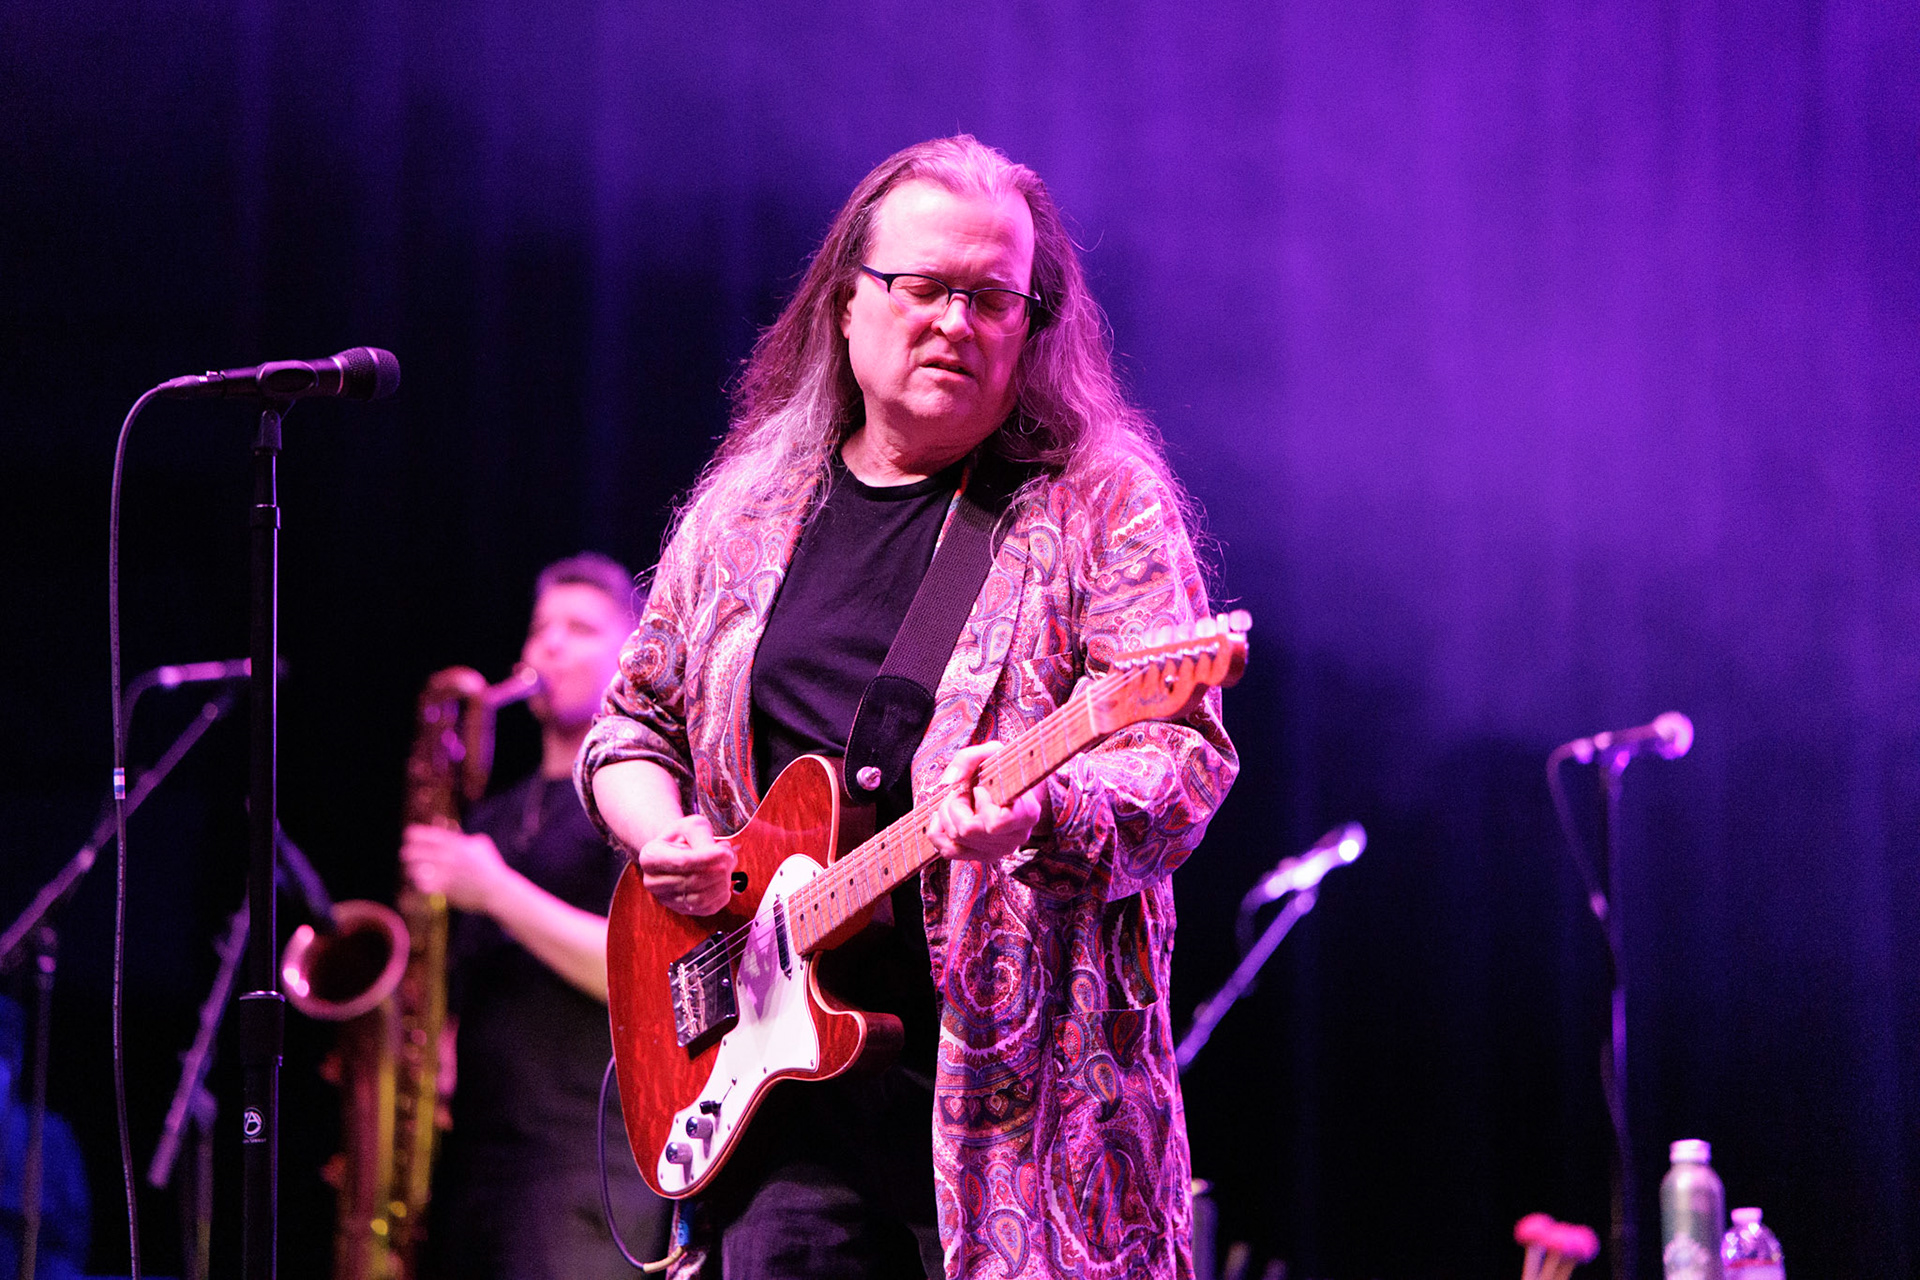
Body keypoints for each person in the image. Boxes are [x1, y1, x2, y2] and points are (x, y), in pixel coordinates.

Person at [578, 136, 1238, 1280]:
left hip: (1027, 1112)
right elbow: (632, 724)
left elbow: (1177, 757)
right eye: (924, 286)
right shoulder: (746, 510)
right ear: (847, 302)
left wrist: (1038, 812)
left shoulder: (1098, 503)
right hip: (784, 1100)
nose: (955, 322)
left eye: (993, 298)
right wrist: (662, 833)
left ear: (1032, 325)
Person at [400, 553, 669, 1279]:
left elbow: (641, 977)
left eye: (580, 629)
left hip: (587, 1167)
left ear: (632, 656)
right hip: (476, 1163)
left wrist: (495, 891)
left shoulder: (639, 816)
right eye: (541, 627)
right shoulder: (493, 818)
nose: (550, 645)